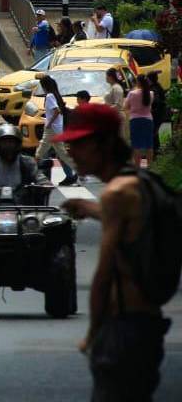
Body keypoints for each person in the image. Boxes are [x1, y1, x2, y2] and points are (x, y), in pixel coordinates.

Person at [56, 103, 174, 401]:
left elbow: (104, 274)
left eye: (79, 143)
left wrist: (93, 332)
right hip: (148, 325)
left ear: (105, 143)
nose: (71, 151)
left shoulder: (115, 194)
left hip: (122, 328)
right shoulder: (140, 183)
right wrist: (91, 210)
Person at [36, 74, 80, 185]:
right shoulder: (55, 94)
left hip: (51, 129)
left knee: (40, 152)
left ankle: (30, 173)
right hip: (57, 129)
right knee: (62, 154)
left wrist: (49, 123)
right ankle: (77, 172)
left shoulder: (50, 96)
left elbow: (56, 111)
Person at [125, 74, 155, 167]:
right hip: (148, 120)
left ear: (138, 82)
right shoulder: (151, 93)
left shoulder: (132, 93)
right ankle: (150, 165)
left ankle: (137, 166)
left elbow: (126, 106)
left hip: (135, 120)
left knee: (136, 145)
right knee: (149, 144)